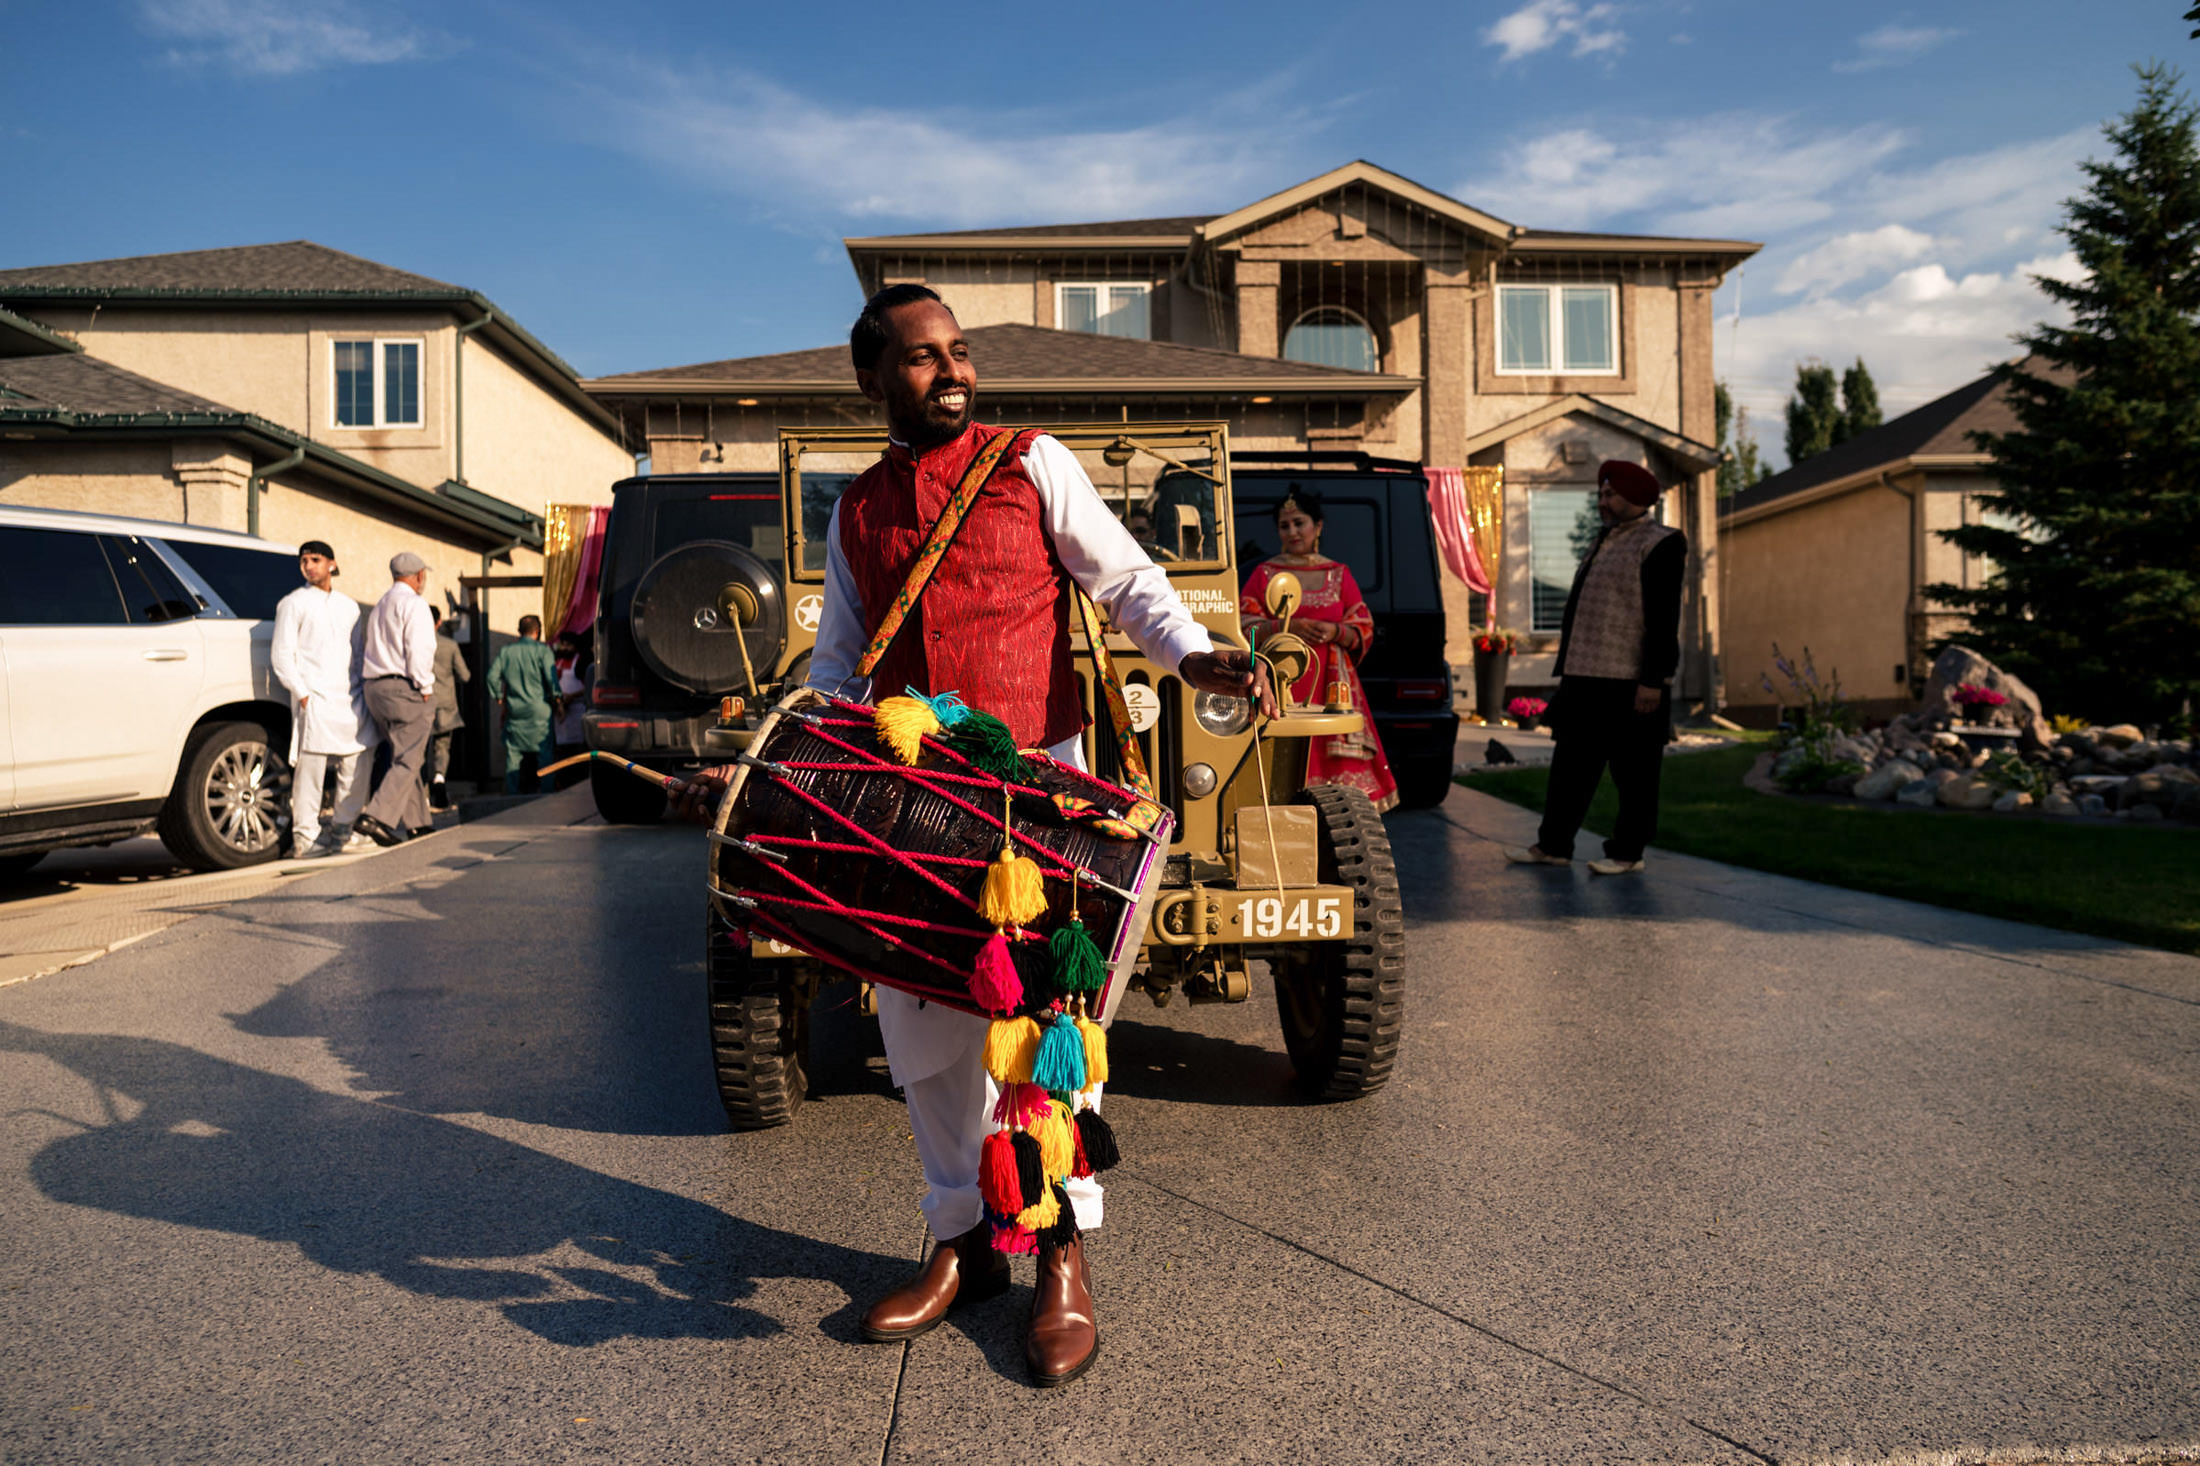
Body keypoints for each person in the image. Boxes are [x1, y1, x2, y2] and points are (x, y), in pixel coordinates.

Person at [671, 284, 1270, 1388]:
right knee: (927, 1035)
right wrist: (780, 760)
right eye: (922, 357)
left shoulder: (1032, 460)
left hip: (1040, 801)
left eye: (959, 353)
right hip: (910, 806)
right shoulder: (855, 510)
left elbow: (1127, 579)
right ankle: (959, 1242)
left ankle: (1060, 1255)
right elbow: (840, 668)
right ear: (872, 377)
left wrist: (1195, 654)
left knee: (1052, 1034)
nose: (952, 372)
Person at [1503, 459, 1687, 876]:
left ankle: (1628, 853)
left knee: (1635, 775)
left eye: (1610, 494)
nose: (1602, 501)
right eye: (1601, 494)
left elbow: (1663, 617)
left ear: (1636, 498)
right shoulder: (1603, 539)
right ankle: (1553, 846)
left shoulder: (1662, 542)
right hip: (1584, 677)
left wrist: (1653, 680)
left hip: (1632, 681)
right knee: (1570, 769)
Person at [1239, 488, 1400, 812]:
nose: (1293, 532)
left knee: (1335, 777)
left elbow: (1363, 625)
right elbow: (1243, 623)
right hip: (1280, 682)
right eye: (1285, 526)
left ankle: (1339, 826)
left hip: (1332, 687)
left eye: (1299, 523)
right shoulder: (1265, 574)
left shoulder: (1337, 574)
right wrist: (1287, 626)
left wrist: (1336, 631)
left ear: (1318, 526)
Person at [268, 539, 372, 857]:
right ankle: (306, 838)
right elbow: (282, 654)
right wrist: (301, 693)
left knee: (358, 760)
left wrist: (360, 689)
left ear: (332, 564)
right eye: (304, 561)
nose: (309, 566)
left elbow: (356, 653)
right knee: (310, 770)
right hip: (313, 697)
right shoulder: (293, 603)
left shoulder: (349, 606)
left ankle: (343, 830)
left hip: (349, 696)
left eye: (315, 560)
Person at [354, 553, 438, 847]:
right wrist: (425, 685)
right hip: (405, 688)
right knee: (409, 758)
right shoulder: (414, 604)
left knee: (405, 756)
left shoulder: (380, 605)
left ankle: (418, 824)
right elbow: (420, 648)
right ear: (417, 575)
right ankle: (375, 817)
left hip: (375, 688)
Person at [488, 615, 559, 794]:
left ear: (519, 631)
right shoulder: (543, 651)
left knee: (513, 755)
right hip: (539, 711)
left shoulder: (506, 652)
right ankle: (547, 793)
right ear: (537, 632)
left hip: (515, 711)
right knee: (544, 754)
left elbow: (491, 676)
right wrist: (558, 699)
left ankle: (512, 796)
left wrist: (498, 695)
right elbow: (552, 681)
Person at [427, 606, 470, 811]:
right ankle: (439, 778)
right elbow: (465, 675)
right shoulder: (449, 645)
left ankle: (423, 791)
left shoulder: (416, 644)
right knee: (442, 746)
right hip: (445, 702)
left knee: (420, 749)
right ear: (439, 622)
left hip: (423, 701)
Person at [550, 633, 589, 789]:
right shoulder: (556, 661)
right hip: (560, 713)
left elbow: (587, 685)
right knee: (562, 752)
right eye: (563, 645)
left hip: (577, 710)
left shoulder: (581, 661)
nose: (565, 648)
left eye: (569, 645)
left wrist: (571, 696)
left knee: (577, 752)